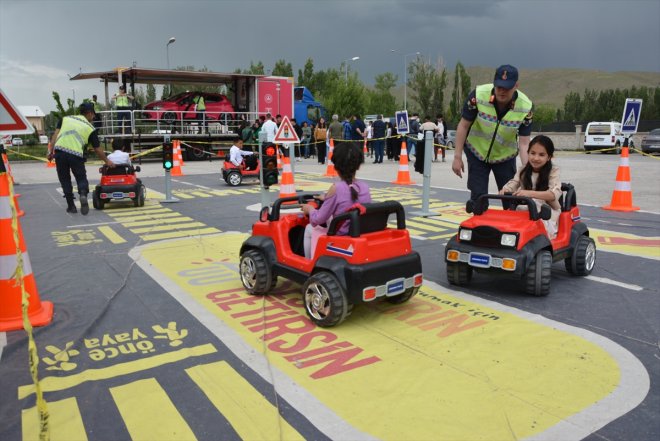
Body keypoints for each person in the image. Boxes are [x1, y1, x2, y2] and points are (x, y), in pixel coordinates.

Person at [452, 64, 533, 205]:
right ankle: (480, 226)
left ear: (516, 86)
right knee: (478, 198)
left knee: (510, 198)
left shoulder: (526, 107)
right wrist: (457, 157)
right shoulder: (477, 95)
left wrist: (527, 170)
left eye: (507, 88)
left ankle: (509, 226)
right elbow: (463, 126)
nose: (502, 91)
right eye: (499, 87)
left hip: (505, 157)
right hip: (477, 153)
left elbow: (524, 143)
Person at [301, 141, 371, 258]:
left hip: (341, 236)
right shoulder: (365, 187)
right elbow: (350, 200)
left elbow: (318, 219)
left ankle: (309, 266)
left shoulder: (335, 188)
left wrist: (310, 209)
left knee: (309, 228)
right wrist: (327, 198)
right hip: (358, 232)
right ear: (358, 166)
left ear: (335, 166)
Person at [48, 103, 115, 215]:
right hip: (76, 154)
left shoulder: (65, 119)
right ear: (89, 113)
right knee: (81, 177)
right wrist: (108, 162)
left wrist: (50, 152)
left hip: (59, 152)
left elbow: (55, 136)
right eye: (93, 115)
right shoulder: (90, 128)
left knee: (64, 179)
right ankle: (83, 194)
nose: (93, 118)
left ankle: (71, 206)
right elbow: (98, 149)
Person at [499, 135, 561, 238]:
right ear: (528, 153)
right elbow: (514, 182)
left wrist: (528, 193)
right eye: (532, 153)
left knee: (535, 212)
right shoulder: (523, 170)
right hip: (525, 207)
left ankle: (538, 240)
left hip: (547, 211)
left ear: (549, 157)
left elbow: (553, 195)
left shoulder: (553, 171)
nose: (536, 158)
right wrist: (506, 189)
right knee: (508, 218)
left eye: (541, 155)